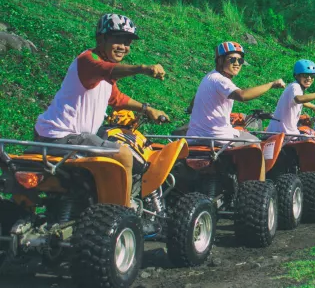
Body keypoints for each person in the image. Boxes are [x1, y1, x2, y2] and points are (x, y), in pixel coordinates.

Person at [34, 13, 170, 205]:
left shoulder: (102, 72)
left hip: (53, 134)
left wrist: (147, 109)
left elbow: (116, 98)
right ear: (101, 38)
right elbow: (108, 70)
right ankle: (123, 211)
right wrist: (142, 68)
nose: (123, 46)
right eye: (117, 39)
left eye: (127, 42)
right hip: (65, 136)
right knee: (124, 155)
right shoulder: (88, 60)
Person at [186, 41, 285, 145]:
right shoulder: (220, 80)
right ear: (220, 60)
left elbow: (195, 99)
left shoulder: (209, 77)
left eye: (240, 60)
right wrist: (271, 84)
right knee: (256, 142)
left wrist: (190, 109)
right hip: (217, 136)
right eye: (232, 59)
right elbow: (242, 95)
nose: (237, 63)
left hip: (195, 135)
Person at [265, 59, 315, 136]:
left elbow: (301, 100)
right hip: (285, 133)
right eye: (305, 75)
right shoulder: (296, 87)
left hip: (278, 131)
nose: (309, 78)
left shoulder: (293, 86)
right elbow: (299, 99)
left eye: (312, 76)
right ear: (296, 75)